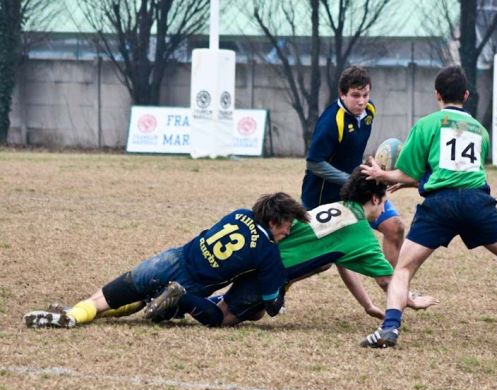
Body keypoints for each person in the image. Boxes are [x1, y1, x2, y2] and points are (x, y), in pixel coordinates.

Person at [358, 65, 497, 348]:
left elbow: (411, 173)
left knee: (403, 269)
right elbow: (458, 171)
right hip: (476, 201)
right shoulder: (480, 131)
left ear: (437, 95)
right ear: (466, 95)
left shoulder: (427, 124)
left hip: (439, 205)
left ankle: (390, 328)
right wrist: (410, 181)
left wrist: (384, 176)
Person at [148, 168, 439, 327]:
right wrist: (411, 300)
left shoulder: (337, 207)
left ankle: (177, 304)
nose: (385, 208)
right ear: (375, 200)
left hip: (258, 256)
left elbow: (339, 262)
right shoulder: (361, 235)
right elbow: (388, 280)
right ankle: (182, 298)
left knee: (256, 313)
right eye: (385, 202)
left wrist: (367, 306)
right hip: (270, 272)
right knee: (223, 317)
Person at [23, 192, 309, 329]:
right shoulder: (268, 253)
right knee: (218, 318)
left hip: (173, 257)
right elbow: (271, 306)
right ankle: (177, 299)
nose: (288, 232)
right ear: (273, 222)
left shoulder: (239, 213)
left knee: (107, 297)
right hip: (191, 284)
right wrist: (285, 286)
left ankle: (72, 315)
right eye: (287, 226)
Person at [300, 65, 406, 268]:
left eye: (365, 94)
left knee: (395, 227)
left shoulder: (369, 111)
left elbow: (352, 151)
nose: (362, 101)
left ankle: (395, 290)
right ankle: (272, 292)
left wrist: (372, 168)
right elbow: (314, 162)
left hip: (356, 189)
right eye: (355, 95)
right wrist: (349, 178)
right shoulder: (332, 122)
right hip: (322, 196)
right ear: (342, 94)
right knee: (320, 263)